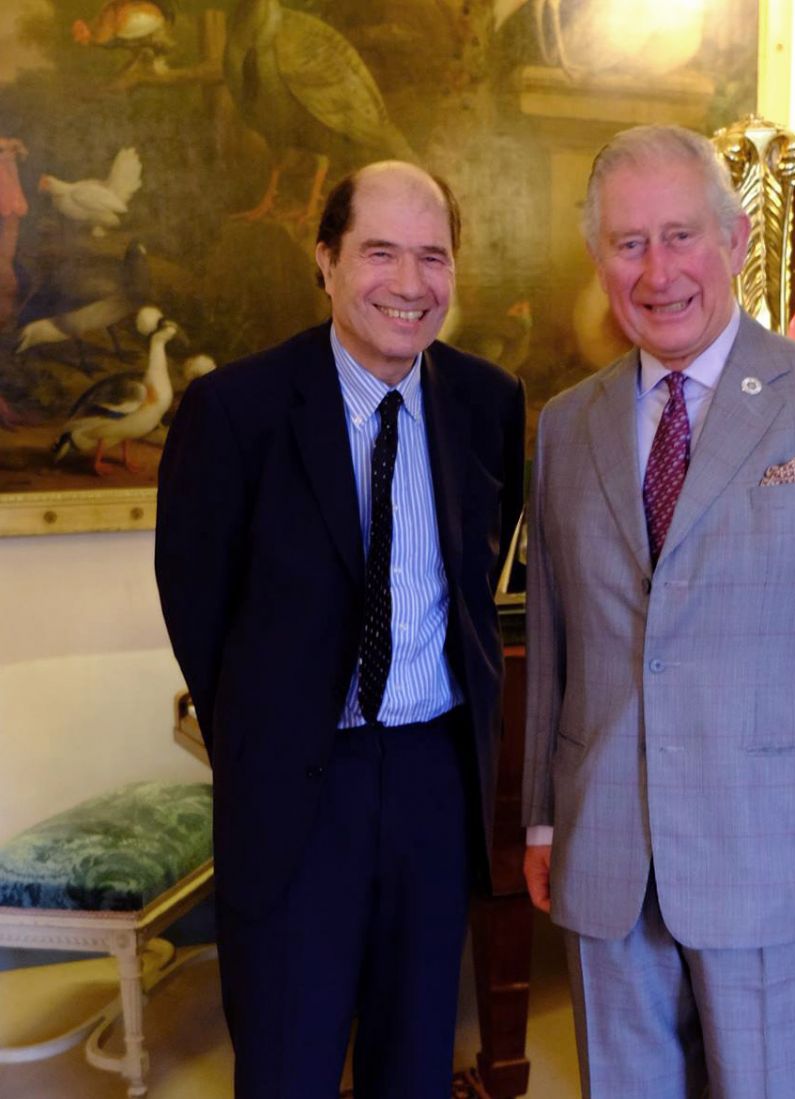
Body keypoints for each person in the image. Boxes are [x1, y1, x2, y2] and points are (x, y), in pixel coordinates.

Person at [521, 124, 795, 1099]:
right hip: (605, 857)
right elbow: (554, 644)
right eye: (627, 244)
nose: (656, 271)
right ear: (596, 258)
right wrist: (542, 820)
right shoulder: (565, 425)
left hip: (774, 863)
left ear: (735, 239)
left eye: (678, 236)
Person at [156, 161, 525, 1099]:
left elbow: (479, 585)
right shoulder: (234, 412)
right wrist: (267, 741)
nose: (410, 283)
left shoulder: (488, 403)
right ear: (325, 261)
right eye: (381, 253)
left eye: (433, 257)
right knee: (288, 1062)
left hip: (434, 786)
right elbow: (196, 604)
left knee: (414, 1065)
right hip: (295, 790)